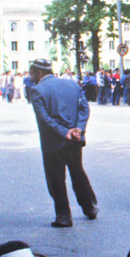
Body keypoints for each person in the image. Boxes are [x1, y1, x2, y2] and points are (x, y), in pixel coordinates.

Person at [30, 58, 98, 227]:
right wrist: (78, 129)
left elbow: (44, 118)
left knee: (56, 179)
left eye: (31, 72)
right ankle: (89, 208)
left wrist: (64, 132)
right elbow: (84, 109)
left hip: (53, 143)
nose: (30, 76)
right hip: (75, 140)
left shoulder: (37, 90)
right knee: (78, 173)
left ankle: (64, 216)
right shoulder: (72, 85)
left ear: (39, 72)